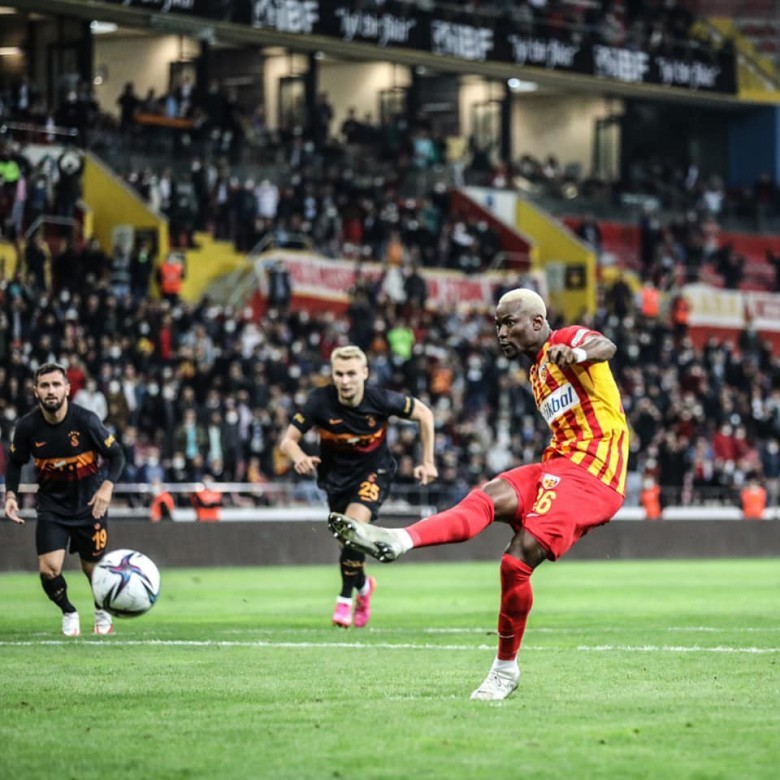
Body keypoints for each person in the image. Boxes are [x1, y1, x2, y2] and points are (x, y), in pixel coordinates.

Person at [328, 289, 629, 699]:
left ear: (537, 322)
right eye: (498, 325)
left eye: (510, 323)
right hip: (558, 464)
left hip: (594, 472)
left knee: (516, 561)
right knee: (487, 496)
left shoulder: (564, 339)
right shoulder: (537, 372)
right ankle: (400, 539)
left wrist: (577, 354)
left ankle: (504, 671)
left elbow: (605, 345)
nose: (501, 333)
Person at [279, 345, 438, 629]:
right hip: (335, 479)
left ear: (364, 373)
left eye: (351, 373)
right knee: (348, 541)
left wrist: (427, 461)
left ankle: (344, 601)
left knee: (353, 527)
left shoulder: (381, 399)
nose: (345, 381)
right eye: (339, 374)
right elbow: (288, 441)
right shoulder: (319, 401)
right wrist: (299, 456)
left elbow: (424, 414)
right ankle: (364, 588)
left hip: (374, 472)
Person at [3, 362, 127, 637]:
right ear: (36, 391)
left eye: (56, 384)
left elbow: (117, 455)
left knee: (94, 571)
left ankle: (101, 610)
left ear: (67, 389)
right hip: (52, 507)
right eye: (45, 385)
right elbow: (14, 463)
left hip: (89, 506)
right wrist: (10, 494)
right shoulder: (27, 426)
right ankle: (69, 611)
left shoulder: (86, 421)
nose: (51, 391)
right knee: (49, 571)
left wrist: (107, 487)